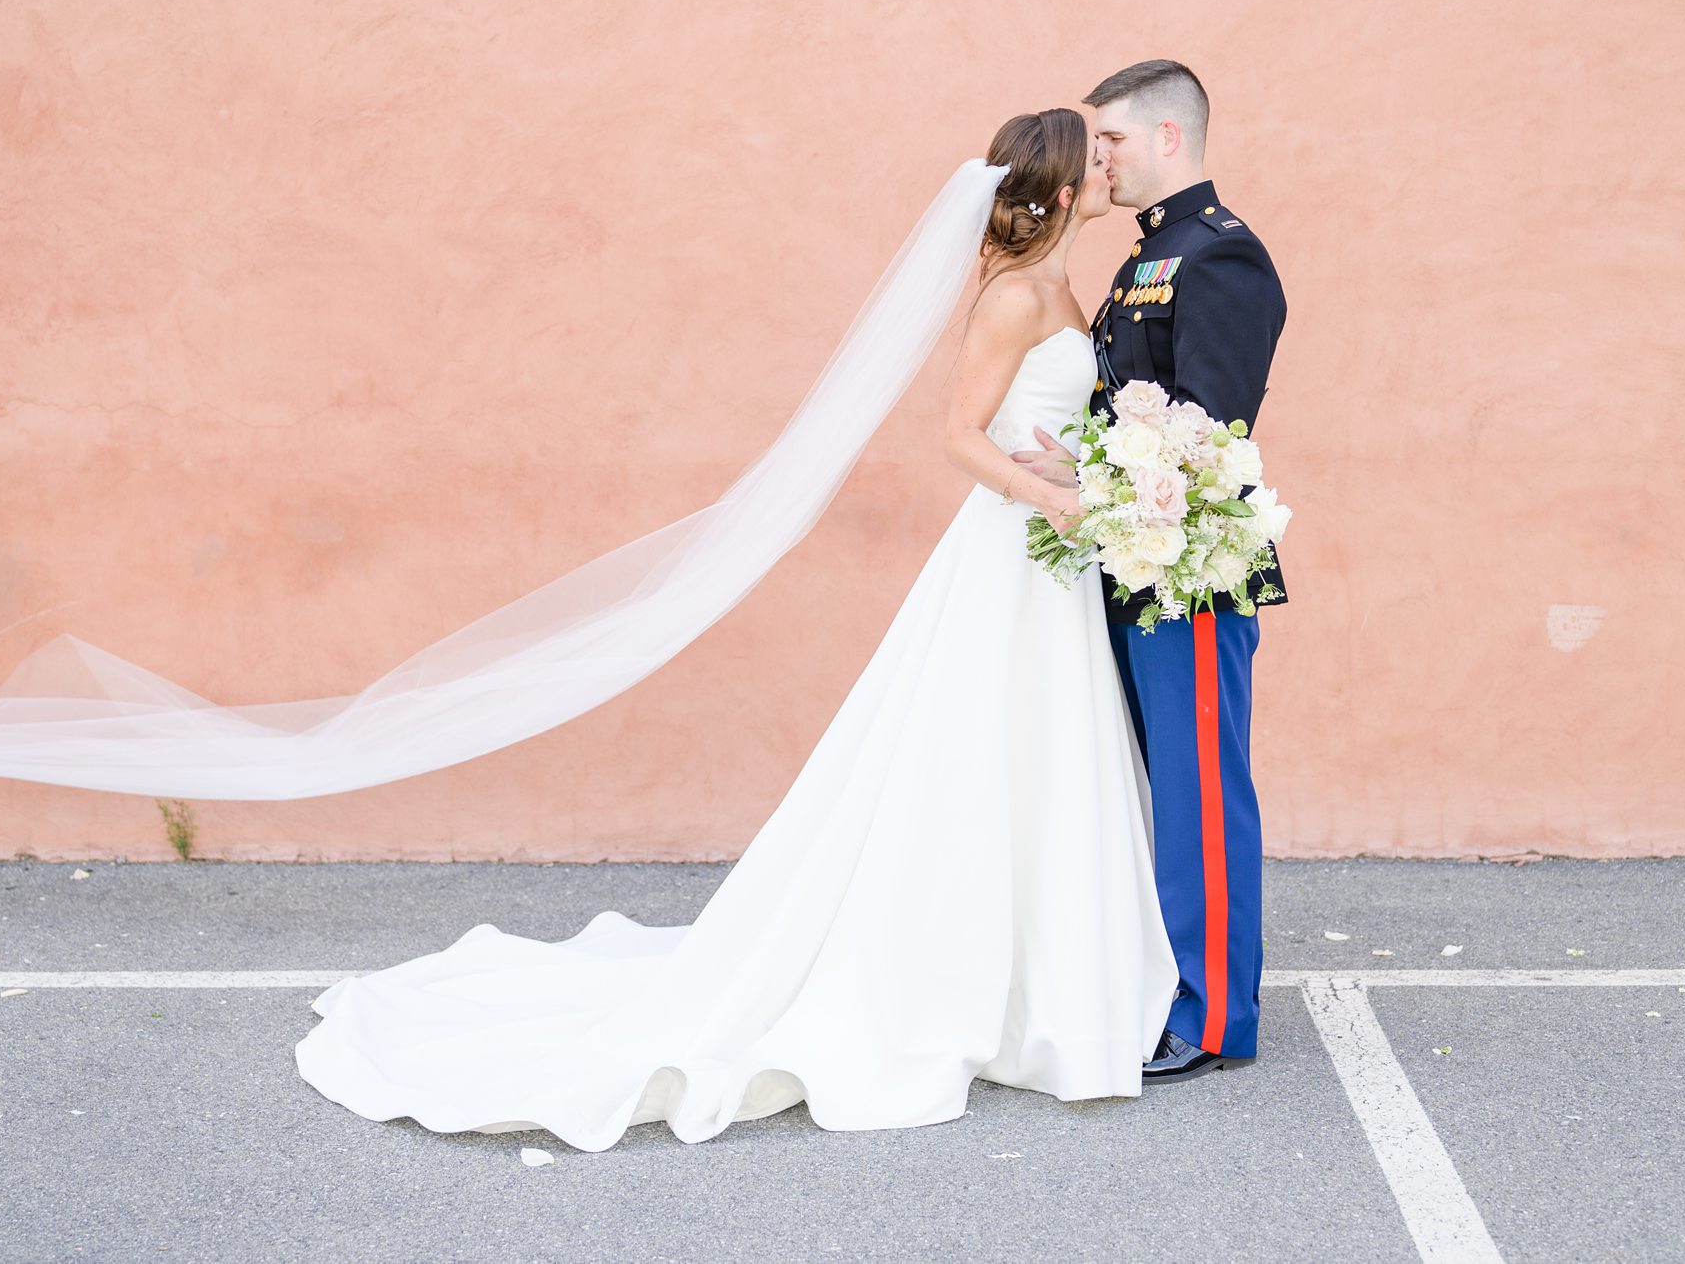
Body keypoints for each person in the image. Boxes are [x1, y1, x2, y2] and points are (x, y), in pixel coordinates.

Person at [293, 108, 1181, 1150]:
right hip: (1015, 555)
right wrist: (1063, 505)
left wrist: (1088, 479)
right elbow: (957, 436)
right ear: (1069, 191)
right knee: (981, 750)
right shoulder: (1022, 294)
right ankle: (976, 979)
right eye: (1099, 160)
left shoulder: (1066, 283)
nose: (1111, 168)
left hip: (1050, 562)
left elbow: (1049, 430)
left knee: (1039, 752)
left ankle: (1043, 976)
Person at [1007, 60, 1287, 1082]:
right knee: (1161, 785)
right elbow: (1132, 408)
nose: (1100, 159)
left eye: (1114, 141)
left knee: (1201, 794)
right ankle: (1176, 984)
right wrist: (1071, 463)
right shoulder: (1148, 260)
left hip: (1193, 571)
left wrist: (1106, 476)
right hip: (1135, 558)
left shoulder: (1219, 260)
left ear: (1170, 138)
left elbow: (1209, 429)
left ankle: (1215, 1018)